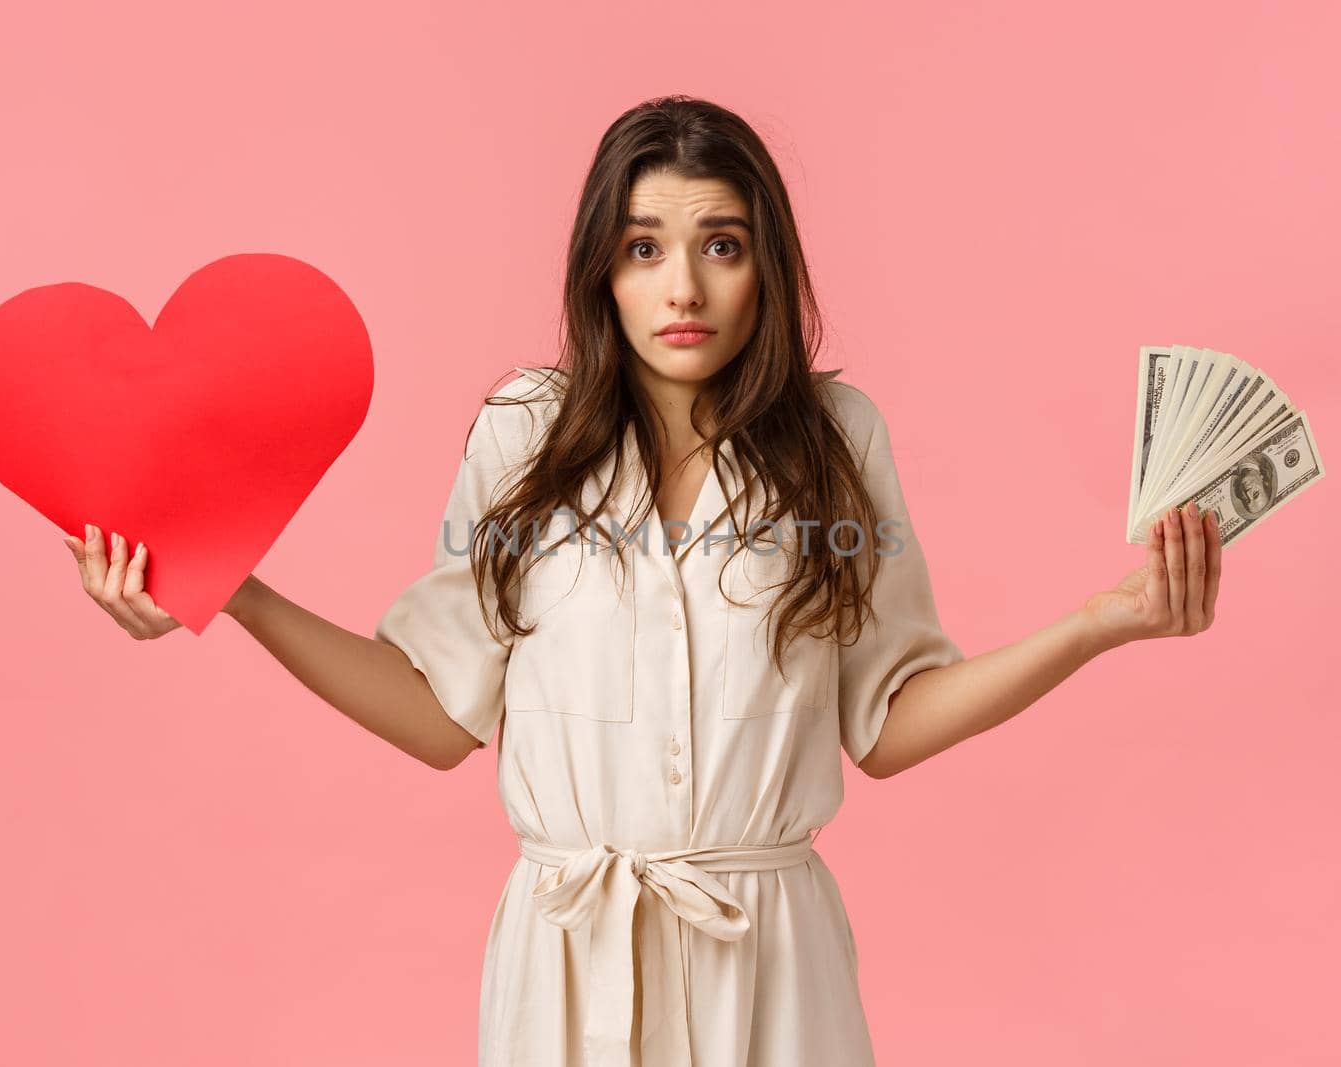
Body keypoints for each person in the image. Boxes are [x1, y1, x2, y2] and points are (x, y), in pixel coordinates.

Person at [63, 96, 1223, 1067]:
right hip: (564, 969)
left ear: (765, 263)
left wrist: (1100, 622)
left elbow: (887, 718)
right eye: (643, 247)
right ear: (601, 271)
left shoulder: (836, 438)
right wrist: (237, 592)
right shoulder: (523, 434)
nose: (684, 288)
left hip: (770, 965)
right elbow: (433, 711)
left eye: (721, 244)